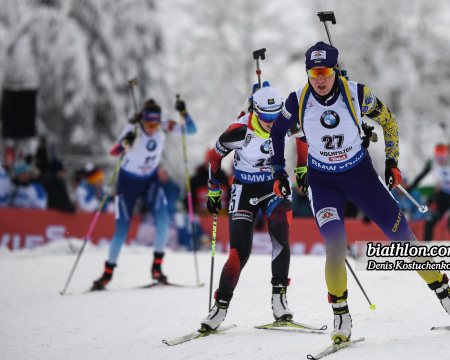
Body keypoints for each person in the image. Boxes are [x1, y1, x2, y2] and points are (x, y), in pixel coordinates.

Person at [268, 42, 450, 343]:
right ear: (307, 73)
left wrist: (392, 161)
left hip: (360, 176)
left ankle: (447, 297)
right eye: (314, 73)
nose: (320, 79)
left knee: (403, 237)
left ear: (335, 70)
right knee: (336, 246)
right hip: (323, 182)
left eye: (326, 72)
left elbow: (389, 122)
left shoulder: (357, 93)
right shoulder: (297, 101)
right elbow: (277, 132)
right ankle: (341, 316)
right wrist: (279, 171)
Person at [200, 85, 303, 330]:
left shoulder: (286, 120)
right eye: (265, 116)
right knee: (239, 253)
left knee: (281, 238)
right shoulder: (239, 131)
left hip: (275, 186)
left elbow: (303, 139)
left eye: (275, 115)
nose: (271, 122)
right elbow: (215, 158)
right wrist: (214, 189)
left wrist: (302, 169)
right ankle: (220, 308)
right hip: (244, 190)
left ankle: (280, 299)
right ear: (255, 111)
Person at [91, 97, 196, 290]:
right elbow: (114, 152)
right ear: (142, 120)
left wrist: (184, 114)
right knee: (121, 231)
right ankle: (107, 274)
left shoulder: (163, 126)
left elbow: (191, 130)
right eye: (148, 124)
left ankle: (157, 268)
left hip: (150, 181)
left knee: (163, 221)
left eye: (155, 124)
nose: (152, 128)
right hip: (128, 183)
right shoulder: (132, 129)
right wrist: (126, 143)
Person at [410, 144, 450, 240]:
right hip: (444, 194)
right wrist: (410, 188)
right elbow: (421, 176)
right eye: (438, 158)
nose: (440, 161)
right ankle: (426, 249)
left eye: (442, 158)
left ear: (447, 155)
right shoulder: (432, 162)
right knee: (429, 222)